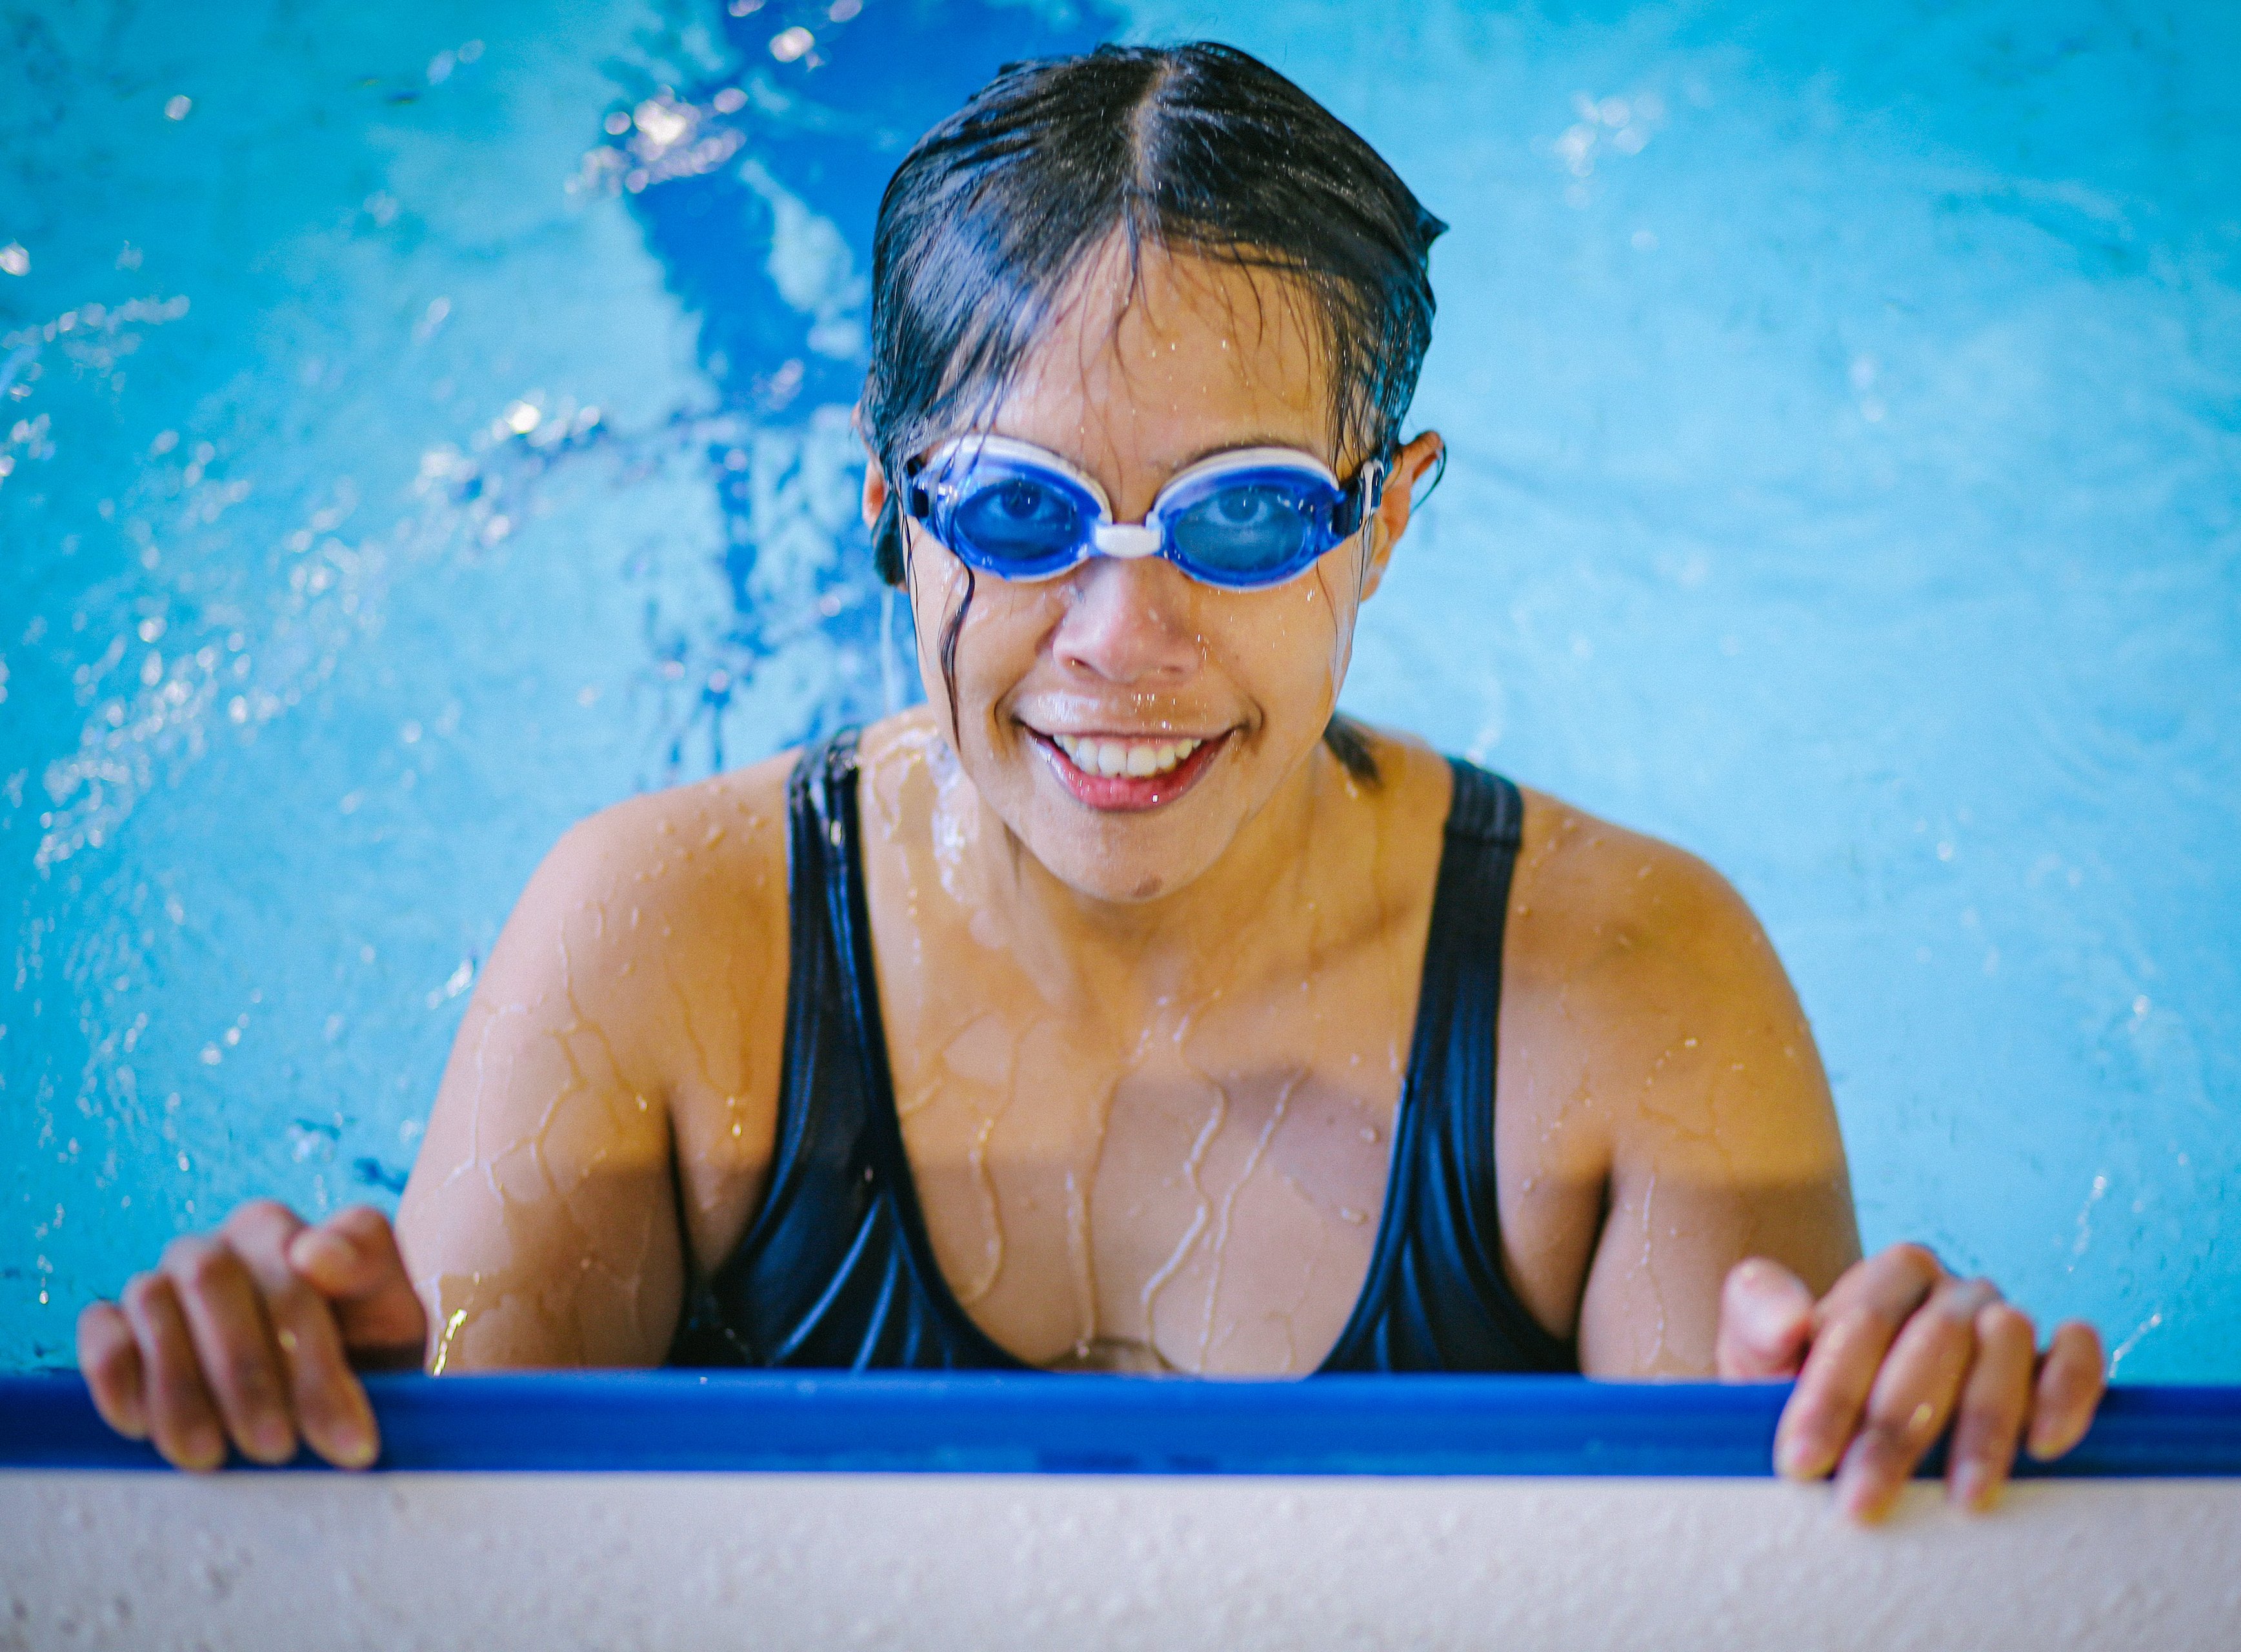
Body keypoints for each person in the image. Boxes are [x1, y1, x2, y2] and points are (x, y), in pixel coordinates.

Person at [76, 41, 2103, 1519]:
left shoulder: (1627, 995)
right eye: (1022, 513)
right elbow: (458, 1570)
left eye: (1239, 522)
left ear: (1385, 525)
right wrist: (296, 1397)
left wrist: (1901, 1439)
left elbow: (1741, 1597)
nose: (1120, 642)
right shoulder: (660, 946)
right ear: (887, 511)